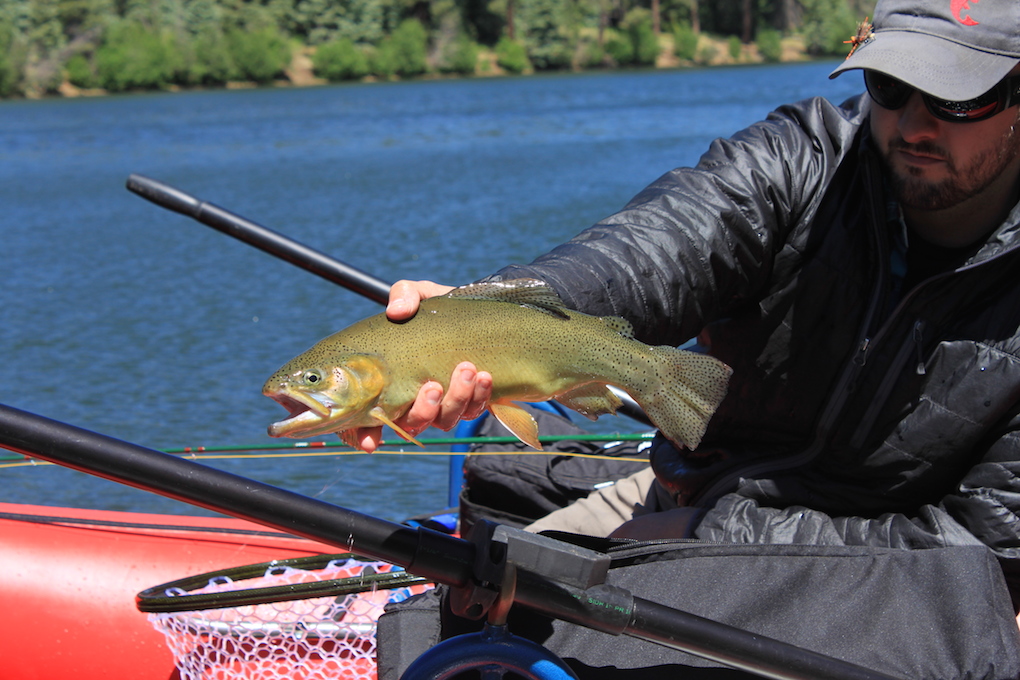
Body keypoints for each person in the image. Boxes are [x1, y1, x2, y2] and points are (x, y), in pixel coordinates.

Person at [360, 0, 1020, 611]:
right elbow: (648, 254)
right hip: (681, 490)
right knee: (466, 615)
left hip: (867, 585)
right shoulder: (801, 161)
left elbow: (983, 554)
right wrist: (483, 322)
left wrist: (719, 532)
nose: (912, 123)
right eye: (891, 85)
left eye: (955, 98)